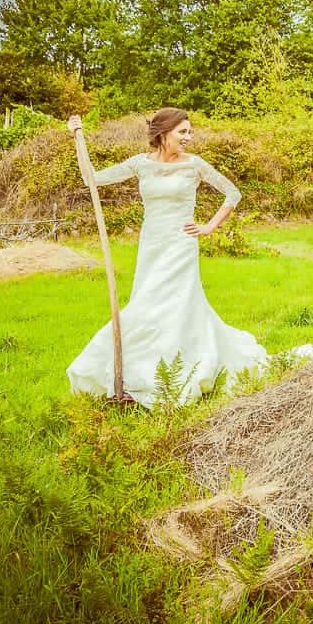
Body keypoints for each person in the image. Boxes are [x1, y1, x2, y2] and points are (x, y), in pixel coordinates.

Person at [66, 108, 275, 407]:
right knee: (147, 305)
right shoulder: (141, 164)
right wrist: (77, 138)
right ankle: (147, 366)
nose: (189, 138)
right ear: (163, 133)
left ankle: (177, 367)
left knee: (176, 305)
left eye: (190, 132)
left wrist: (208, 226)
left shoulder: (194, 166)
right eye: (183, 132)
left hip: (181, 244)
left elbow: (233, 193)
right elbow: (91, 179)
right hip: (151, 244)